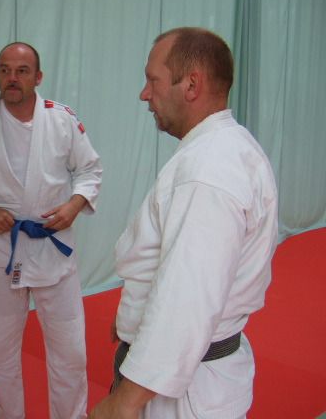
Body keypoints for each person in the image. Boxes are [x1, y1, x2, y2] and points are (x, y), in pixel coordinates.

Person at [88, 27, 278, 419]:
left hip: (182, 395)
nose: (144, 94)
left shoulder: (208, 171)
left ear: (191, 85)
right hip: (197, 378)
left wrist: (125, 402)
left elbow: (187, 301)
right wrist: (132, 315)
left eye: (152, 80)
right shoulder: (227, 147)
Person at [0, 42, 102, 419]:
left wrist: (74, 205)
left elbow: (89, 170)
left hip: (52, 242)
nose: (12, 78)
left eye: (21, 70)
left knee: (69, 351)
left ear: (38, 76)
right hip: (5, 246)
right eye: (5, 70)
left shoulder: (62, 119)